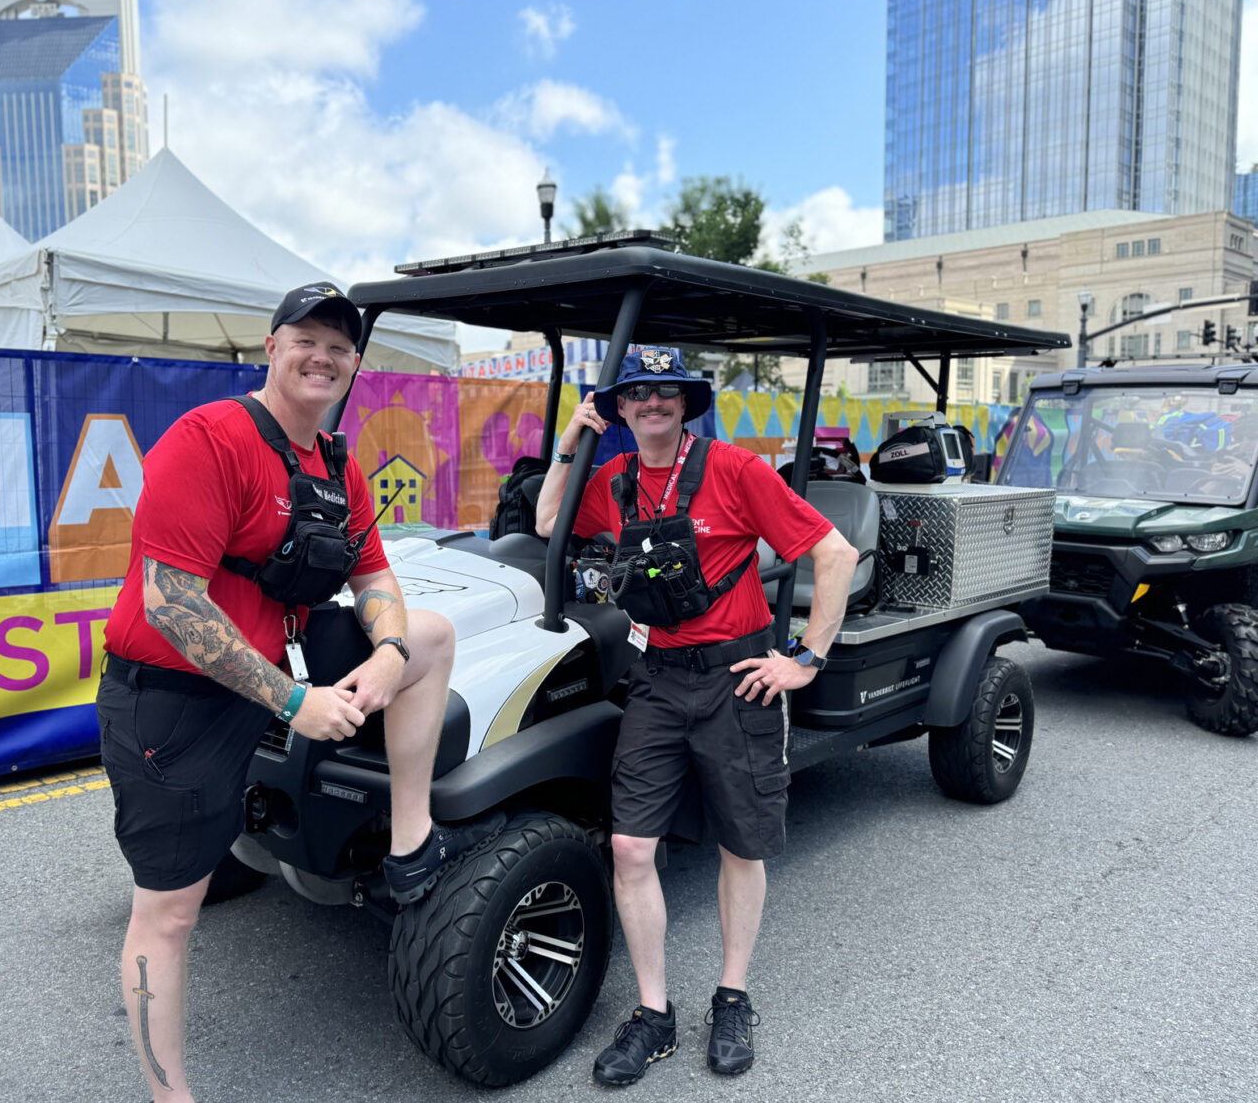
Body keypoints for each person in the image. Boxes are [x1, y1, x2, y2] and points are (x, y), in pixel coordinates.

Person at [96, 283, 499, 1103]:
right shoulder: (209, 438)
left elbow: (375, 573)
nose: (322, 356)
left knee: (429, 636)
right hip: (172, 698)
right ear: (271, 347)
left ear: (354, 366)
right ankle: (170, 1097)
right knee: (168, 915)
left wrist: (386, 650)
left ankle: (409, 841)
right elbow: (171, 604)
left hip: (259, 676)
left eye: (339, 347)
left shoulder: (332, 461)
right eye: (305, 339)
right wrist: (293, 703)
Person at [534, 348, 857, 1086]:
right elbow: (550, 517)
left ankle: (733, 996)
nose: (652, 404)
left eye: (666, 394)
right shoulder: (612, 480)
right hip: (656, 680)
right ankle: (654, 1014)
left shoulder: (736, 469)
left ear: (686, 404)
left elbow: (835, 553)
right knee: (630, 849)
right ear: (621, 409)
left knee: (742, 847)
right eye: (637, 395)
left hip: (737, 679)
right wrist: (566, 444)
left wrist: (805, 659)